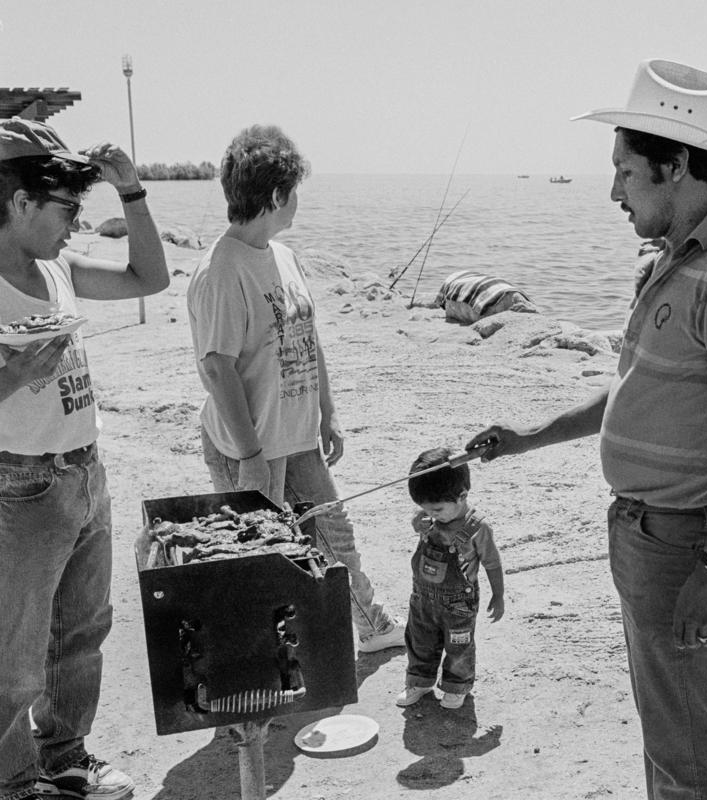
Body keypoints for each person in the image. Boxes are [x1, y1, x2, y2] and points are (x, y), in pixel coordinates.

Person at [468, 59, 707, 799]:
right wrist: (526, 436)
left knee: (688, 747)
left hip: (686, 545)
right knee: (667, 728)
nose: (613, 190)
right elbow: (631, 393)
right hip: (645, 535)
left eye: (625, 171)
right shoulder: (673, 264)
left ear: (675, 166)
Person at [185, 125, 403, 654]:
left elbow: (307, 338)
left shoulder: (282, 255)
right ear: (278, 195)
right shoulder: (221, 270)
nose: (299, 200)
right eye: (295, 190)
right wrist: (252, 456)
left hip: (297, 433)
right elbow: (217, 370)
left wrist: (328, 413)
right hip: (252, 444)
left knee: (332, 533)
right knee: (260, 556)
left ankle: (370, 626)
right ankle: (256, 665)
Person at [0, 119, 168, 800]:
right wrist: (12, 377)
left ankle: (65, 753)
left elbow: (148, 277)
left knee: (82, 633)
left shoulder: (58, 267)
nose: (75, 224)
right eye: (67, 209)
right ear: (19, 204)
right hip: (21, 484)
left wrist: (132, 192)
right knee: (15, 655)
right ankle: (14, 780)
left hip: (85, 471)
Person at [395, 447, 504, 710]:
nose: (431, 515)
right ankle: (419, 682)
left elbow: (492, 562)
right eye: (424, 510)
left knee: (459, 647)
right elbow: (421, 525)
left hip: (458, 605)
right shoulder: (430, 517)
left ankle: (457, 686)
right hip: (422, 598)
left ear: (462, 495)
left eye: (437, 510)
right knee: (420, 641)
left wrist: (498, 595)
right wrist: (417, 524)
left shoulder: (477, 527)